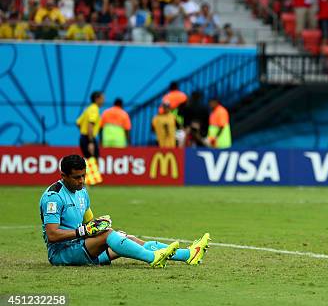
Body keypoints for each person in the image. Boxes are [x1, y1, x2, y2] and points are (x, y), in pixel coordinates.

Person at [39, 154, 210, 266]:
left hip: (83, 248)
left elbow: (89, 222)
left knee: (126, 238)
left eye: (84, 176)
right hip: (62, 254)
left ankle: (188, 254)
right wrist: (84, 231)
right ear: (63, 176)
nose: (82, 181)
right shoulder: (53, 197)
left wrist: (98, 225)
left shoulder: (82, 191)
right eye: (77, 177)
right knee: (109, 236)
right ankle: (153, 259)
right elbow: (53, 235)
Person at [76, 90, 104, 164]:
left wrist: (83, 132)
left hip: (84, 137)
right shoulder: (95, 109)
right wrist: (90, 142)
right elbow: (90, 125)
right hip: (89, 139)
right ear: (97, 99)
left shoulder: (88, 109)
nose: (103, 101)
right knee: (94, 162)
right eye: (102, 99)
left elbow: (78, 123)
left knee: (89, 162)